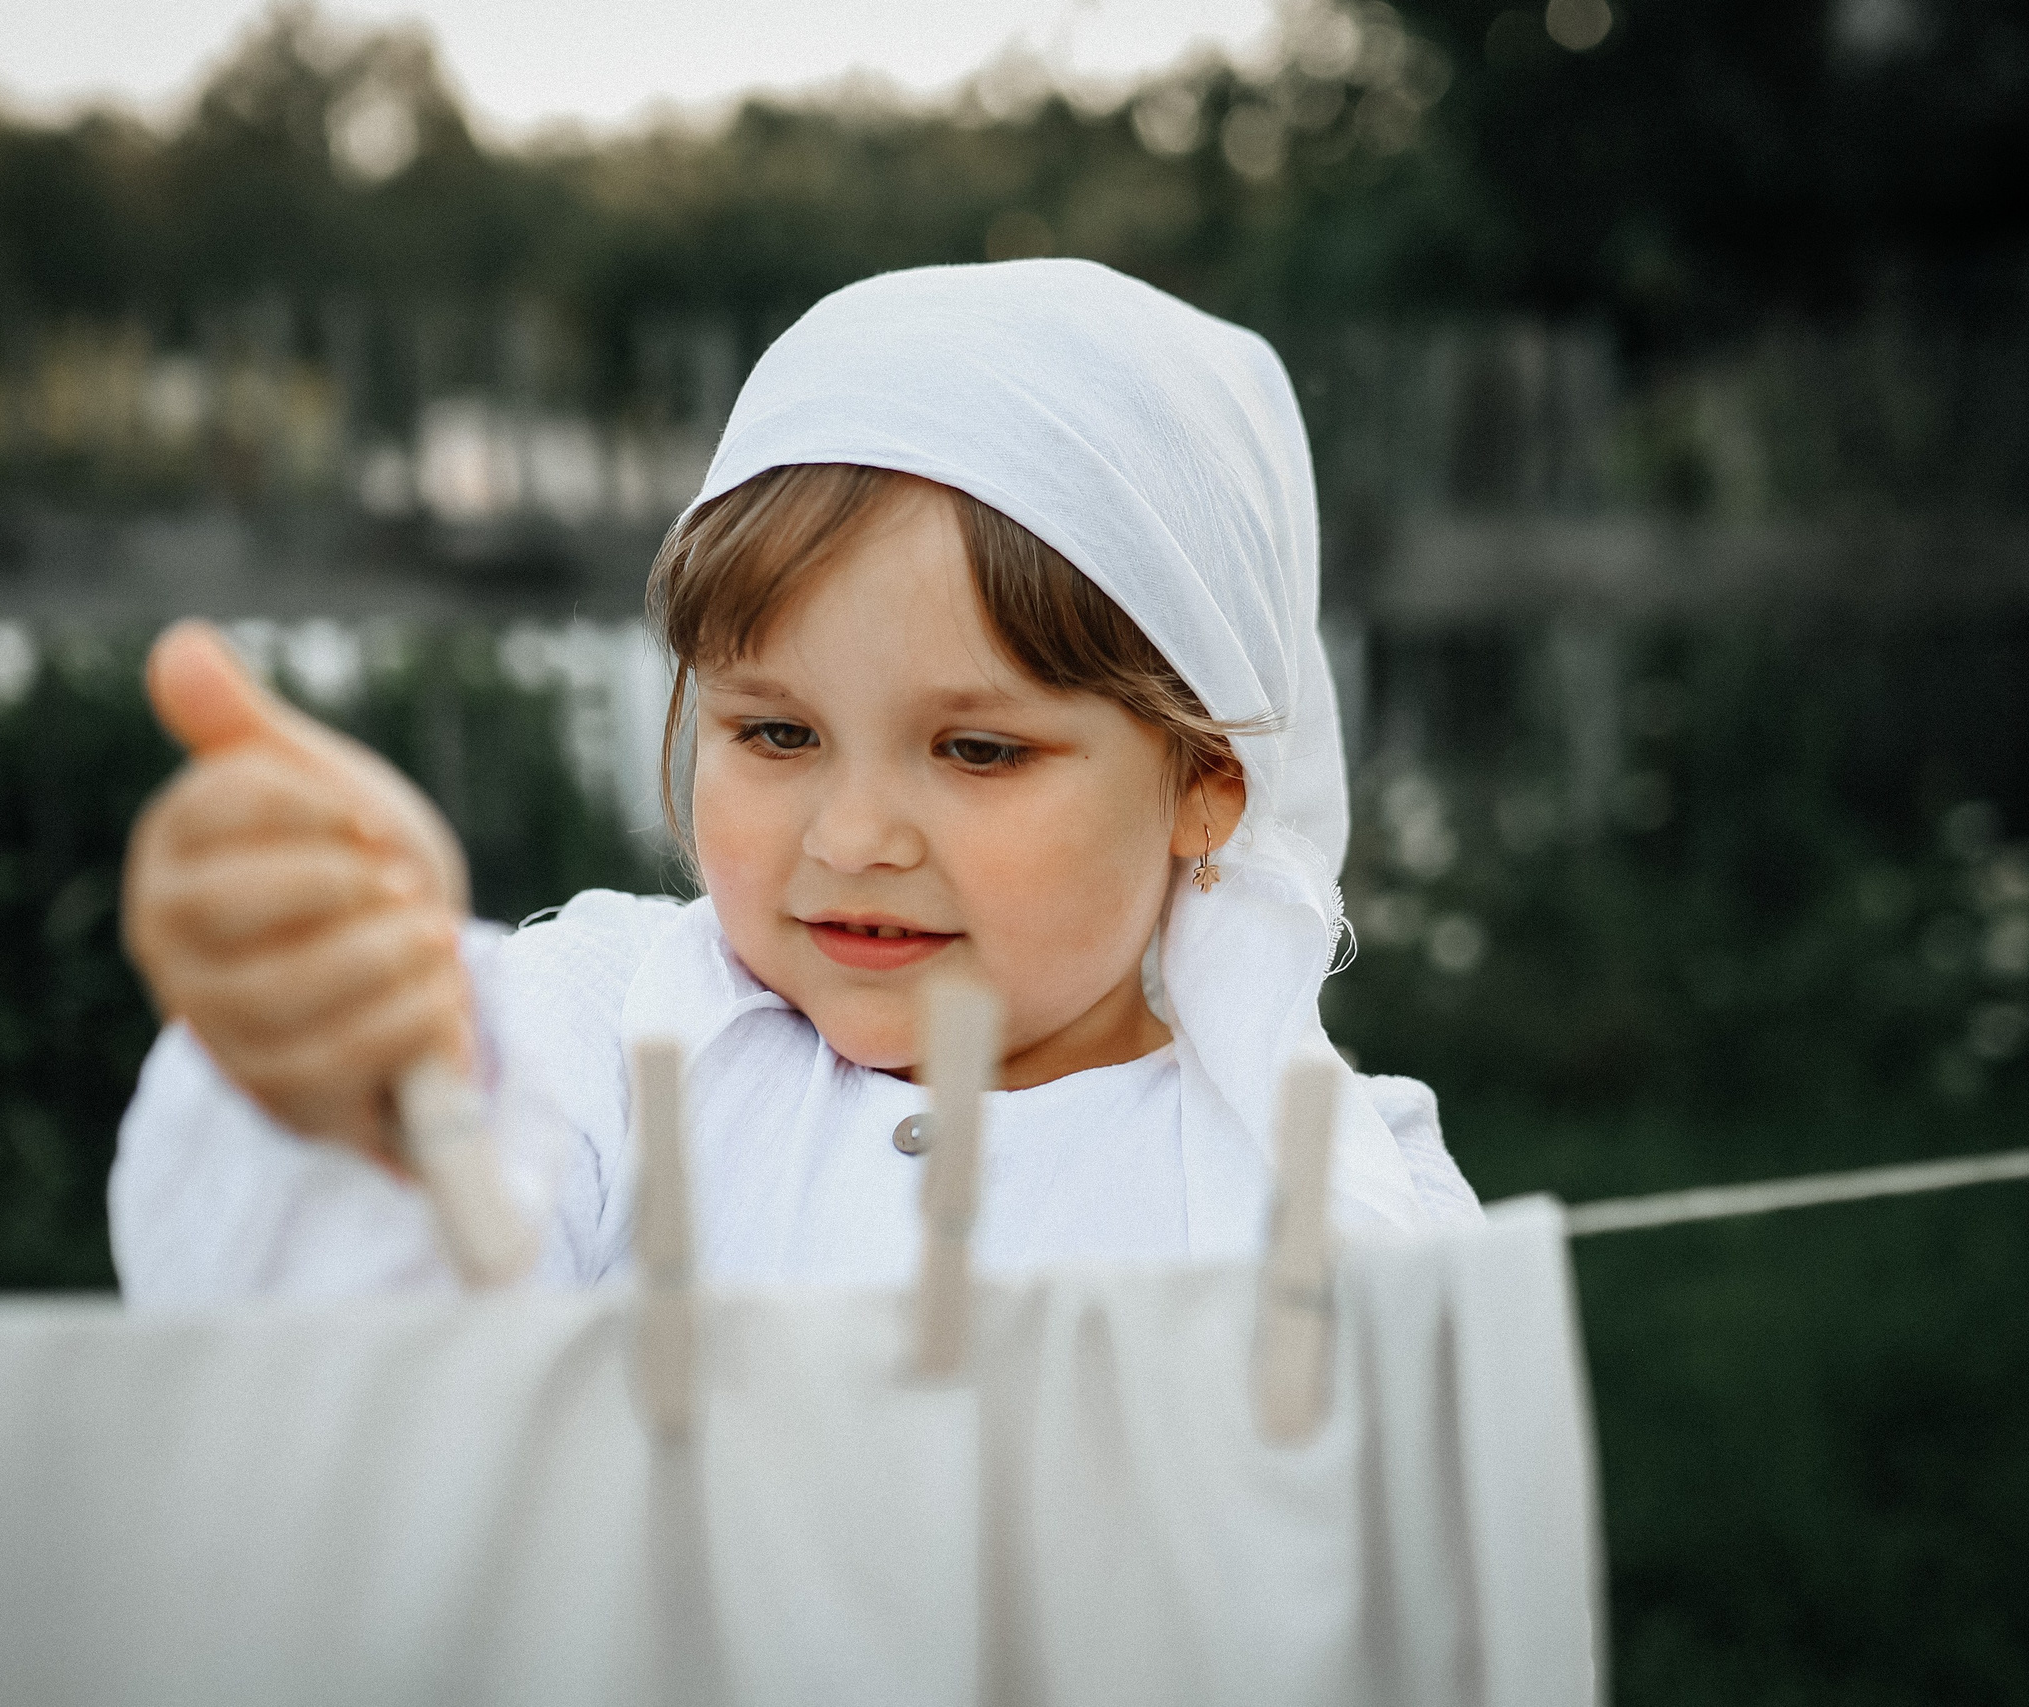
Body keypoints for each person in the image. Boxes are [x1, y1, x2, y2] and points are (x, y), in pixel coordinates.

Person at [110, 259, 1480, 1304]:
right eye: (775, 734)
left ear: (1205, 783)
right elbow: (357, 1346)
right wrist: (354, 1058)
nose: (857, 834)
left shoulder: (1341, 1191)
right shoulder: (604, 1046)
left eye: (978, 749)